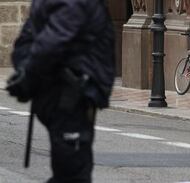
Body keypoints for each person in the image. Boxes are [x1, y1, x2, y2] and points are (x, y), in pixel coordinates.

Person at [8, 0, 115, 182]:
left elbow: (28, 41)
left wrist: (26, 73)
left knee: (69, 171)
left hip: (62, 92)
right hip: (67, 95)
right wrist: (29, 75)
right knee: (73, 173)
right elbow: (49, 43)